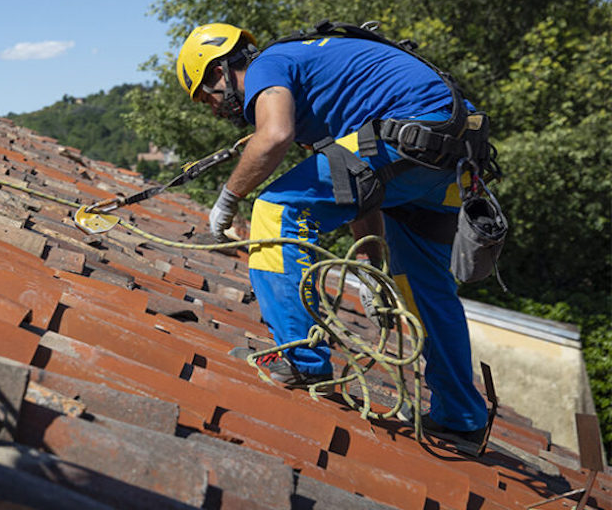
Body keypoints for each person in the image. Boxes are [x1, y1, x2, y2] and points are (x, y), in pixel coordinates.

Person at [175, 22, 489, 445]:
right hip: (454, 151)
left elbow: (274, 136)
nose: (214, 109)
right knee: (425, 286)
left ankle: (301, 357)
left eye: (206, 96)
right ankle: (461, 418)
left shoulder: (269, 65)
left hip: (408, 134)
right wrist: (368, 266)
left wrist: (229, 198)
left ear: (219, 72)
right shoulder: (316, 82)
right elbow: (358, 178)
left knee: (275, 208)